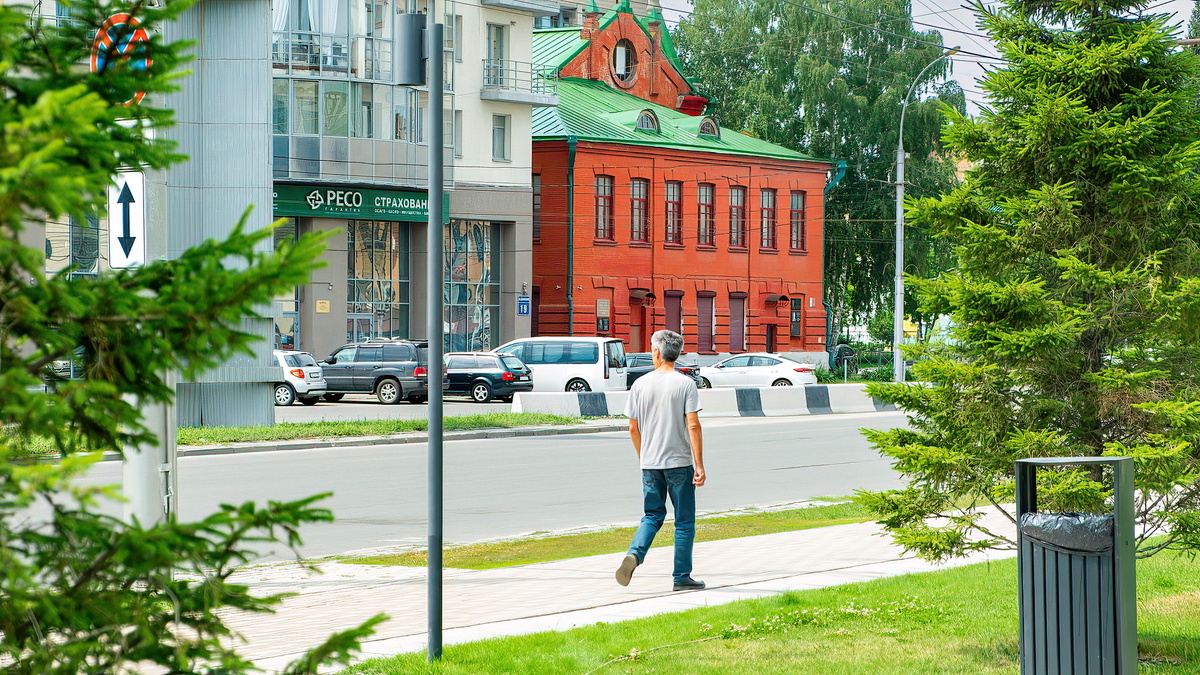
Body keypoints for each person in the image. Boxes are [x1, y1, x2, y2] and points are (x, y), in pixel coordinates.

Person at [615, 329, 706, 591]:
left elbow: (633, 428)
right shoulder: (685, 384)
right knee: (684, 521)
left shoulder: (640, 384)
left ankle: (635, 554)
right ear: (677, 354)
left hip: (650, 463)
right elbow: (693, 425)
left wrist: (644, 457)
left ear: (656, 352)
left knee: (652, 516)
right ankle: (681, 577)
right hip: (679, 462)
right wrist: (699, 465)